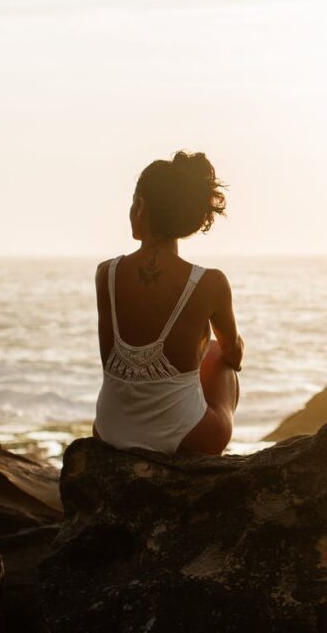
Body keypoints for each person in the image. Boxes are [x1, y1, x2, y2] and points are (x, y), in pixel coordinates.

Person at [93, 151, 243, 455]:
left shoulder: (106, 274)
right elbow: (235, 356)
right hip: (186, 440)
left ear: (140, 206)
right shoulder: (210, 283)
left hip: (108, 432)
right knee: (219, 355)